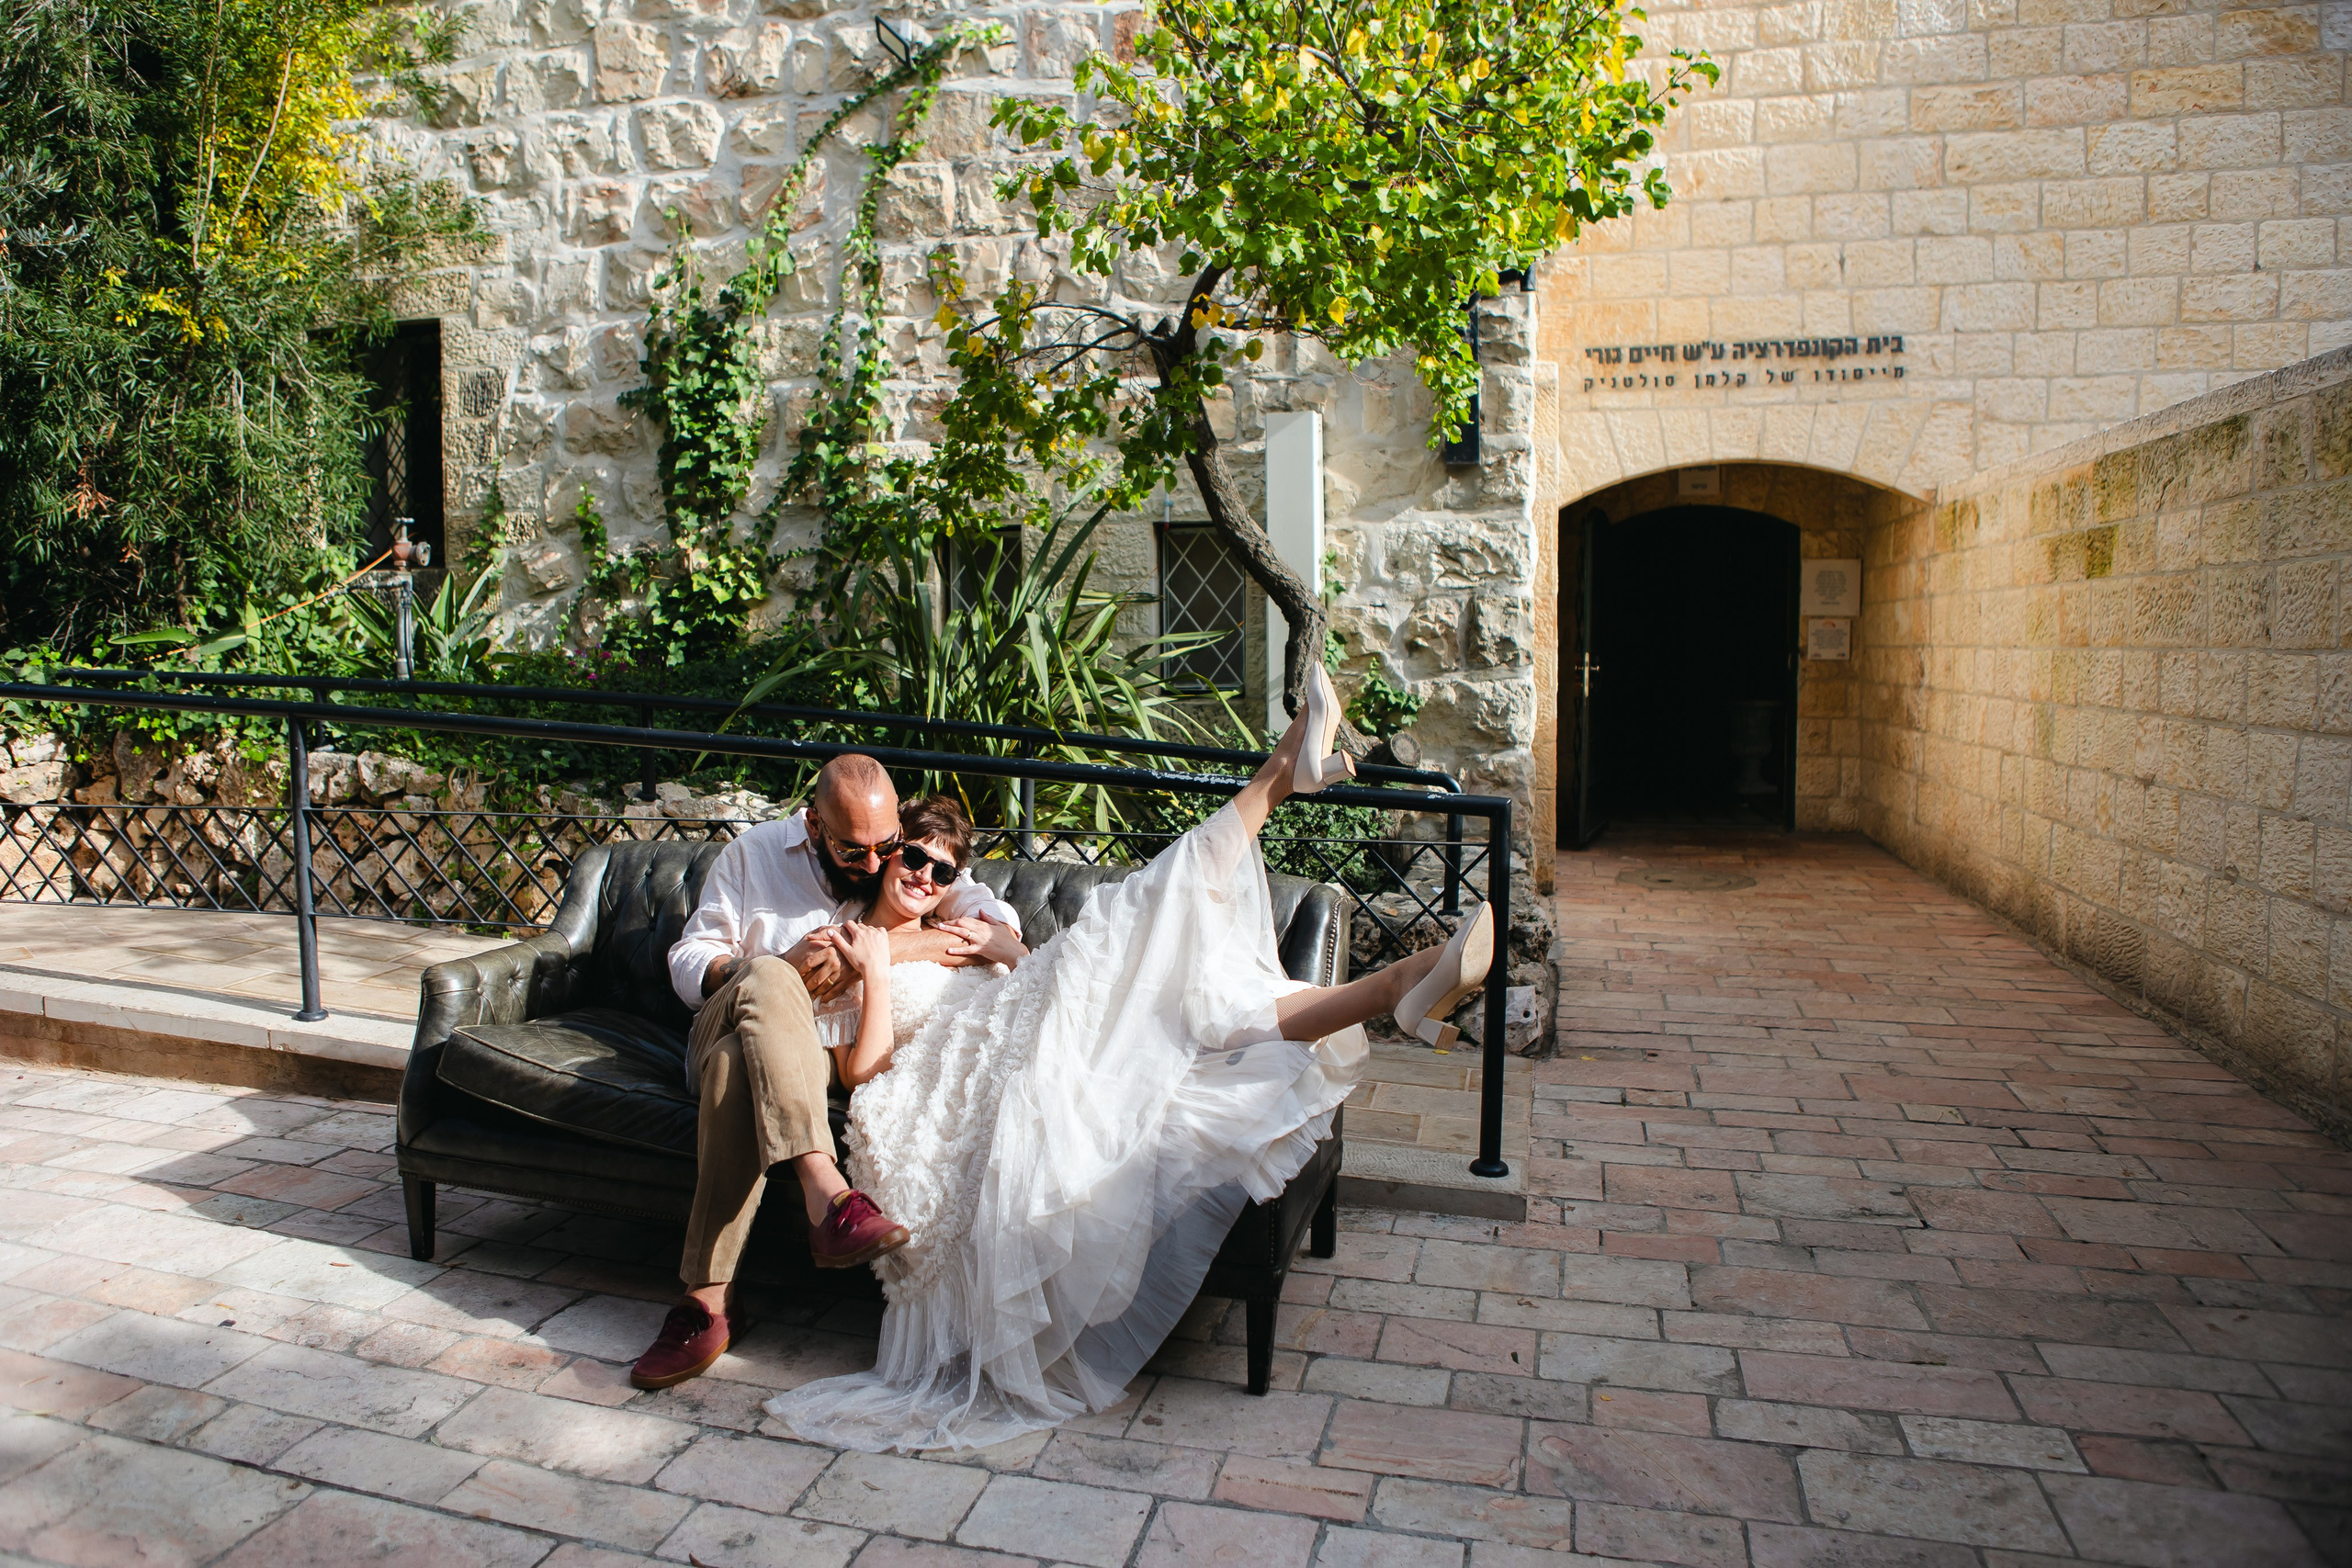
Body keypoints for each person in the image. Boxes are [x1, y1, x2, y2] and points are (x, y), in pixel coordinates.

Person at [765, 665, 1497, 1451]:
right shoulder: (849, 944)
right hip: (957, 1075)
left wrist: (1004, 946)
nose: (924, 876)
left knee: (1195, 994)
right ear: (885, 855)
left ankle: (1393, 975)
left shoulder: (966, 918)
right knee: (1152, 942)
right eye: (913, 857)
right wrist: (878, 970)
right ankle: (1300, 805)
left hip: (1024, 1018)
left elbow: (1026, 966)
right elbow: (861, 1074)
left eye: (944, 869)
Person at [628, 753, 1027, 1392]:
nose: (872, 865)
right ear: (813, 825)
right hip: (723, 1023)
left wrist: (874, 952)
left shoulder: (899, 862)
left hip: (802, 1056)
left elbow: (993, 921)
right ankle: (826, 1189)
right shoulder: (752, 857)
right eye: (852, 850)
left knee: (744, 1070)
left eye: (885, 847)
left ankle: (706, 1303)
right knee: (766, 977)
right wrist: (771, 967)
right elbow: (689, 959)